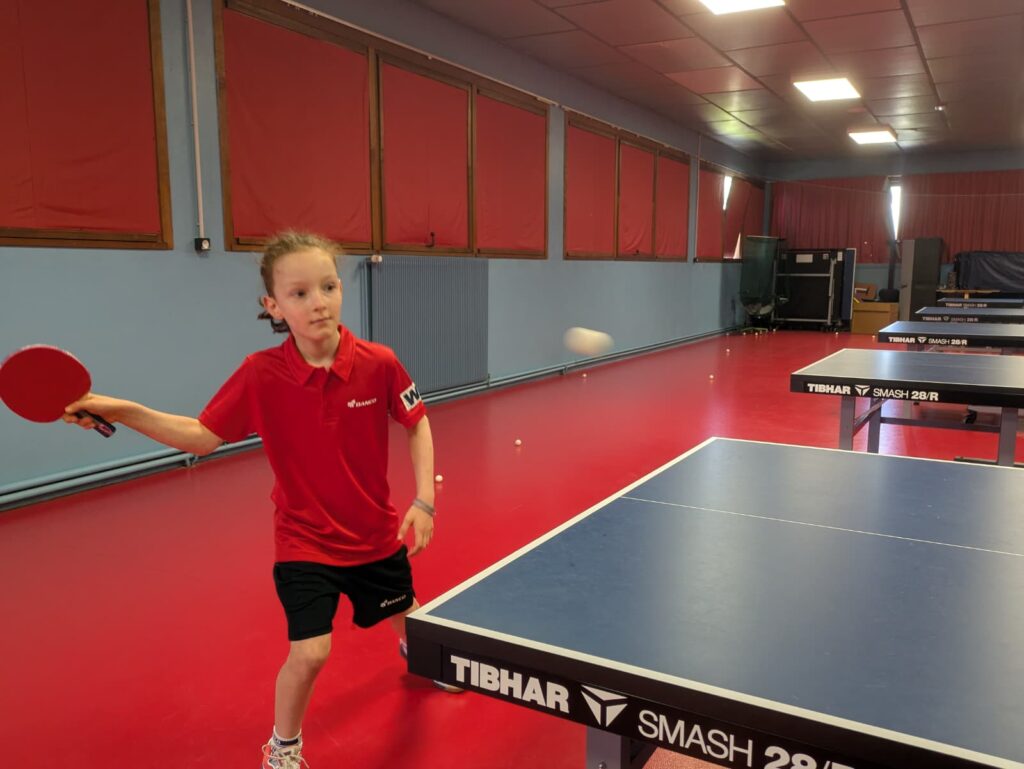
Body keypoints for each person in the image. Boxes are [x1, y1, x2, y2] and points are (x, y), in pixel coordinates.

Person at [63, 231, 460, 769]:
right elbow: (201, 436)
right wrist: (123, 409)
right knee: (312, 651)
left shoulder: (379, 363)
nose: (318, 302)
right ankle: (284, 746)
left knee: (405, 611)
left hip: (373, 534)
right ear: (273, 306)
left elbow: (417, 422)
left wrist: (424, 501)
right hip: (305, 541)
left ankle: (418, 651)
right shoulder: (260, 374)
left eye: (327, 286)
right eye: (299, 294)